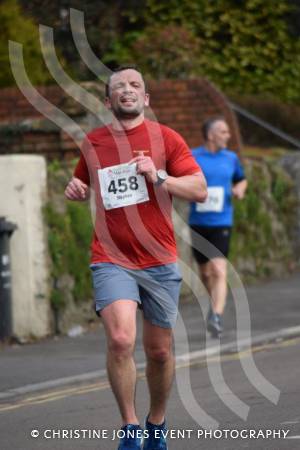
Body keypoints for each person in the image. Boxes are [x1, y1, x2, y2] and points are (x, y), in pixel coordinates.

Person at [65, 65, 207, 450]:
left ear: (145, 98)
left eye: (135, 85)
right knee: (121, 340)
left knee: (159, 350)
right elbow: (82, 183)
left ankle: (155, 424)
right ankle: (129, 428)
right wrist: (76, 188)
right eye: (118, 88)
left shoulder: (166, 139)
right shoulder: (93, 143)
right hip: (111, 257)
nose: (127, 91)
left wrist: (158, 175)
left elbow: (199, 190)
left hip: (159, 260)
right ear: (109, 101)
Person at [188, 117, 247, 338]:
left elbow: (241, 179)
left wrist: (240, 189)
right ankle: (212, 305)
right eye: (223, 132)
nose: (228, 135)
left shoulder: (231, 158)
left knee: (219, 270)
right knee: (205, 272)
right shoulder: (193, 157)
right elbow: (181, 179)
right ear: (210, 134)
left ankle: (216, 316)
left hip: (222, 222)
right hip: (198, 223)